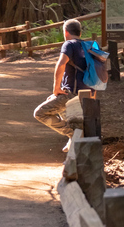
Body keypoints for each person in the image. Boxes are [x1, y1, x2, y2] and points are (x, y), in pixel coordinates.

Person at [33, 18, 92, 152]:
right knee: (54, 102)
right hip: (89, 92)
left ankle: (74, 134)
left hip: (72, 94)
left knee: (40, 113)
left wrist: (56, 88)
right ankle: (73, 137)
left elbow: (61, 64)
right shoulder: (90, 45)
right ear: (80, 33)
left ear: (65, 33)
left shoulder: (69, 44)